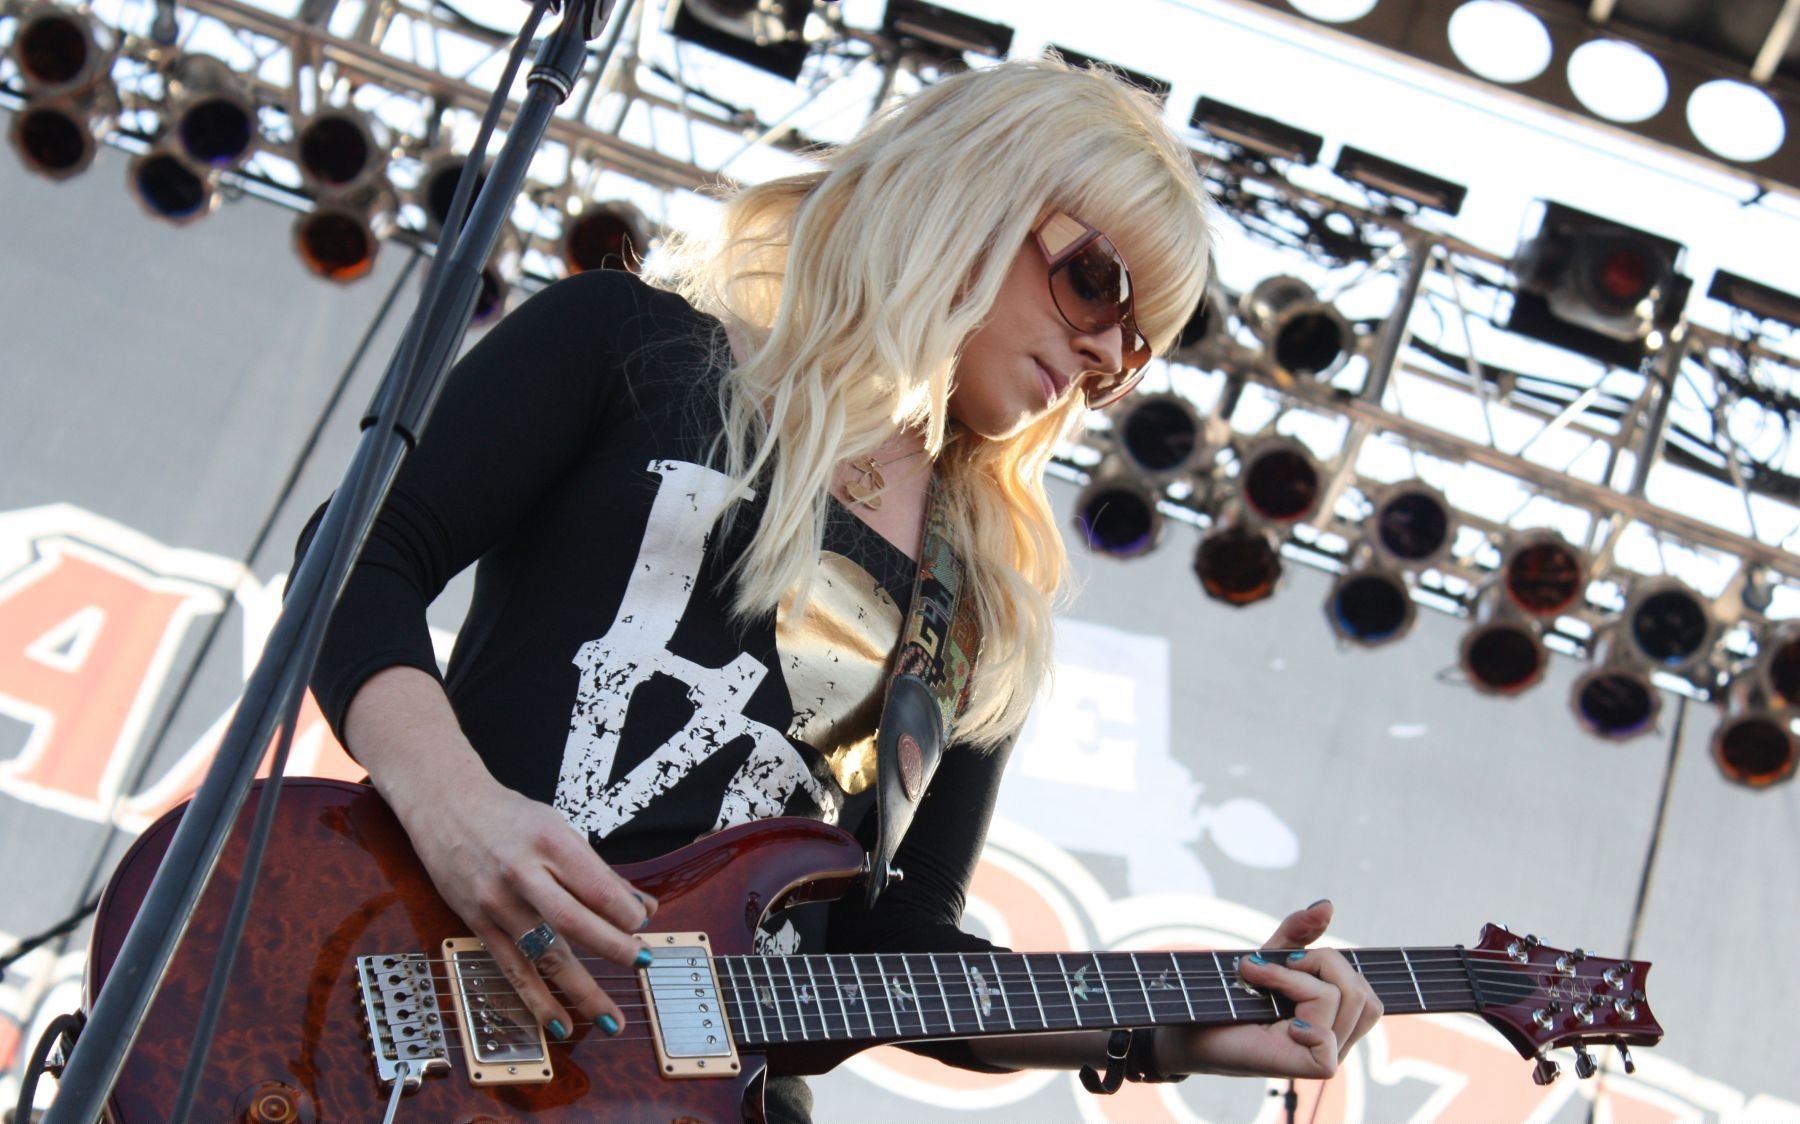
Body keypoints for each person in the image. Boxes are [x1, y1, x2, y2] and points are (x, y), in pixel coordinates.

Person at [302, 57, 1380, 1121]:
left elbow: (897, 941)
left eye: (1135, 345)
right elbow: (359, 558)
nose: (1104, 347)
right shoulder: (627, 342)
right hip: (389, 971)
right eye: (1096, 282)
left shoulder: (982, 605)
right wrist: (453, 808)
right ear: (970, 190)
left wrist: (1170, 1029)